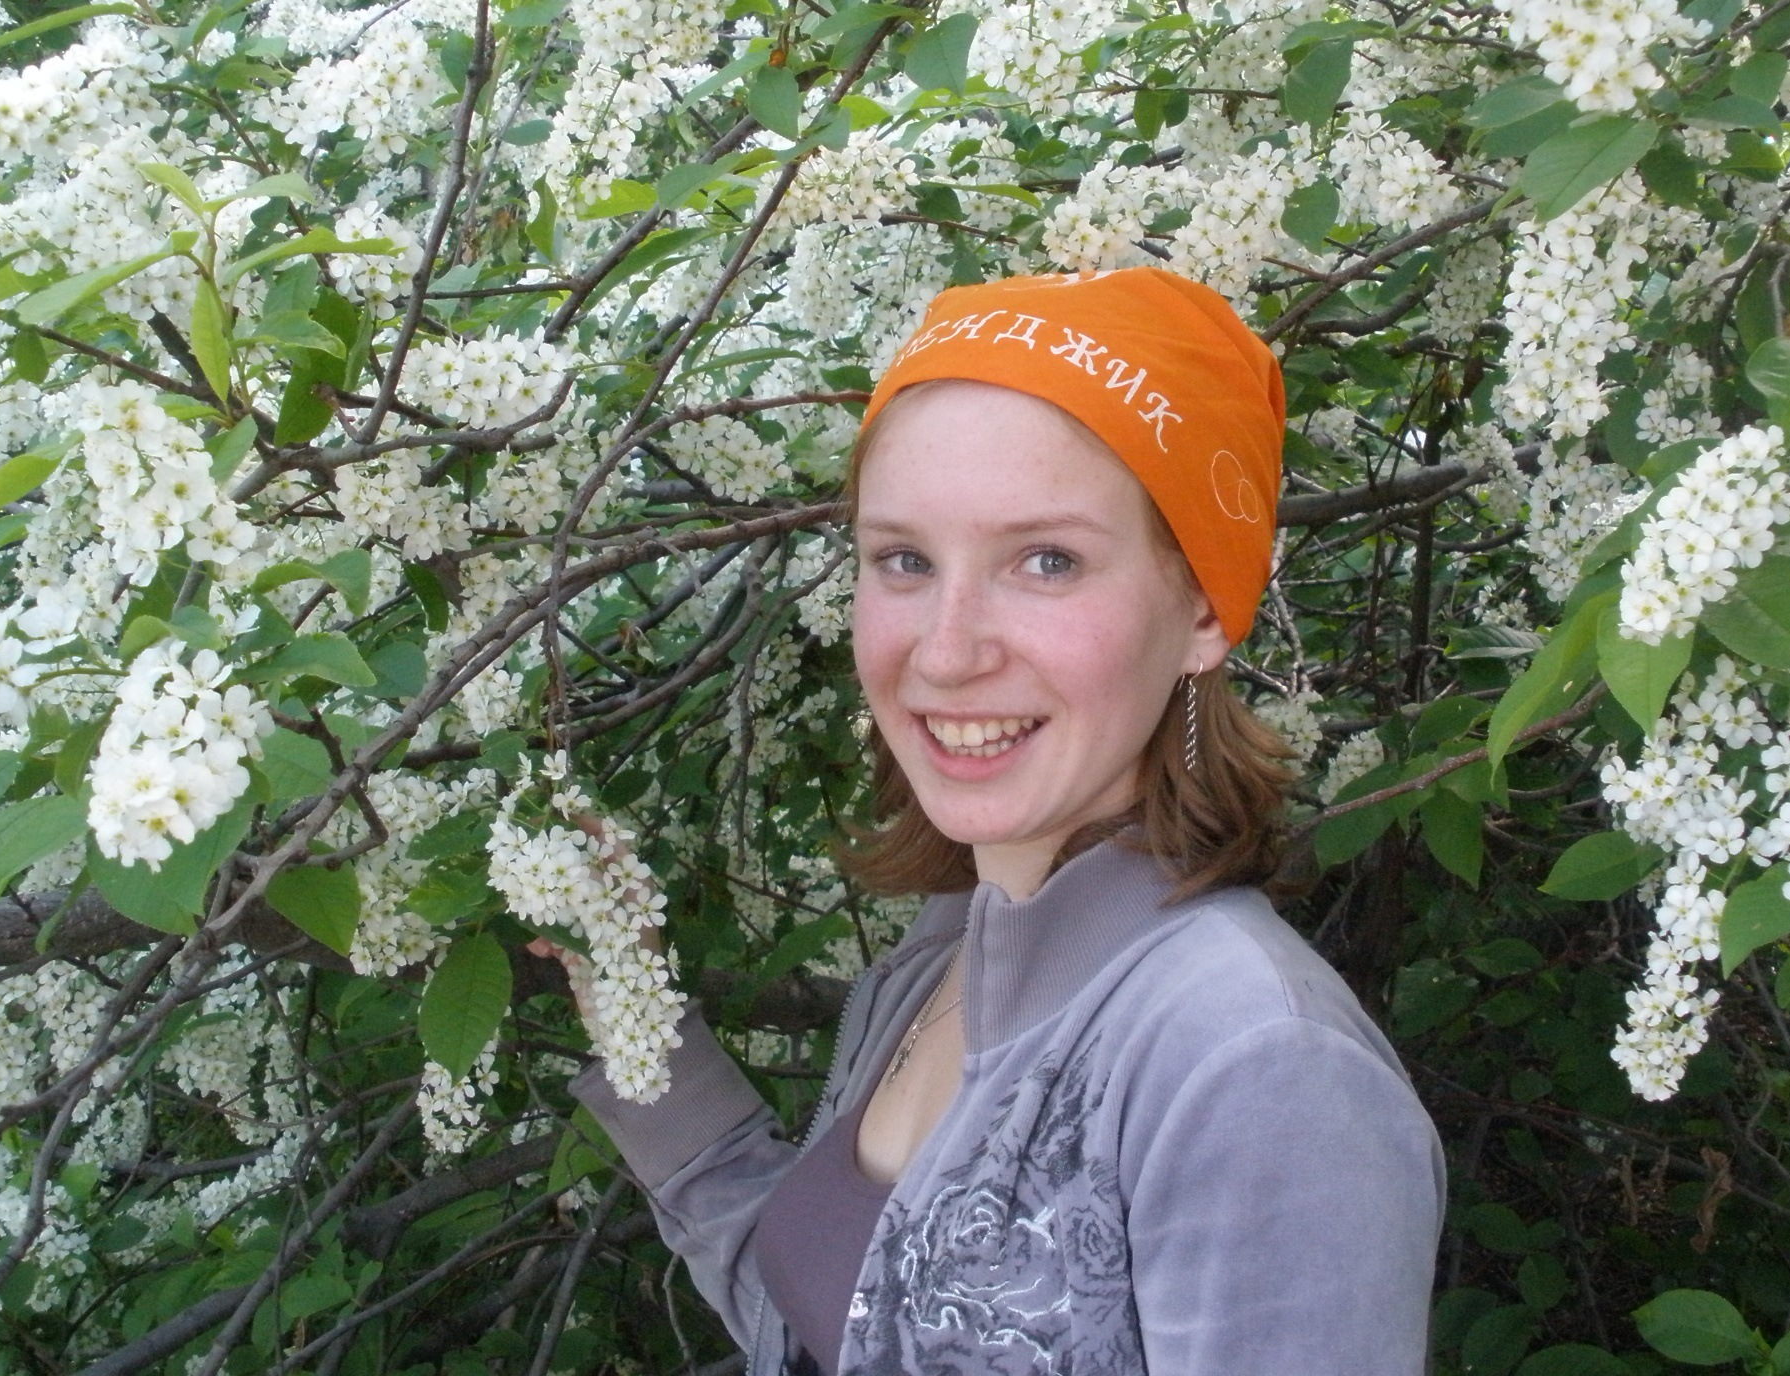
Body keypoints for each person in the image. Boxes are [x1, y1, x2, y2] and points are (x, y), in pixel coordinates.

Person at [537, 267, 1446, 1375]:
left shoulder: (1255, 1069)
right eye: (904, 560)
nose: (947, 649)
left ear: (1204, 605)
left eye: (1046, 561)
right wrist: (634, 1009)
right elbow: (833, 1327)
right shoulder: (948, 952)